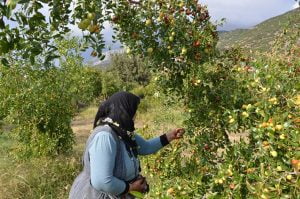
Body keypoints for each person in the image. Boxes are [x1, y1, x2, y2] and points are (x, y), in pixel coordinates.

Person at [69, 91, 185, 199]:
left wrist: (169, 136)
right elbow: (101, 181)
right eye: (134, 110)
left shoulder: (122, 132)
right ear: (125, 110)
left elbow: (145, 147)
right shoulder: (105, 137)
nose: (135, 115)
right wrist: (130, 188)